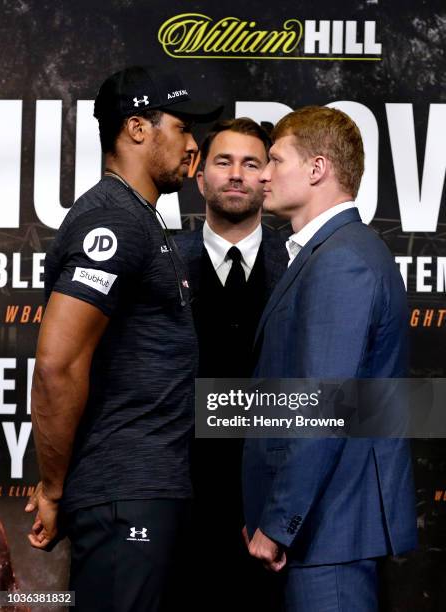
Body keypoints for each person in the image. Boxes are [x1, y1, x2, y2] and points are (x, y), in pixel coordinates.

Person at [25, 65, 222, 612]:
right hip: (124, 494)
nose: (193, 147)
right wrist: (53, 488)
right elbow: (57, 366)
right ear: (137, 129)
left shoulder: (141, 217)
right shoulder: (111, 220)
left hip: (142, 490)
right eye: (182, 129)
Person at [242, 106, 417, 611]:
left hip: (331, 529)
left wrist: (278, 522)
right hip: (324, 526)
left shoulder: (342, 260)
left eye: (275, 160)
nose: (263, 173)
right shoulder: (334, 252)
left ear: (317, 169)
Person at [174, 118, 288, 611]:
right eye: (223, 162)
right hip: (179, 509)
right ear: (200, 177)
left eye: (251, 163)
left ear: (268, 178)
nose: (237, 174)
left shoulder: (301, 264)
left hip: (273, 515)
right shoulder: (161, 263)